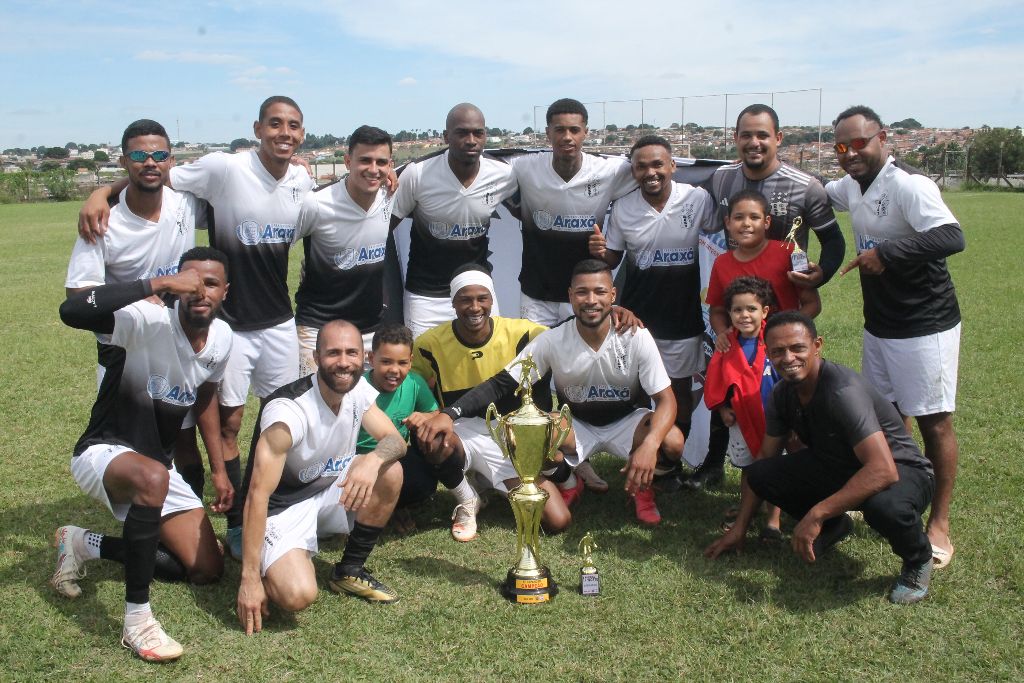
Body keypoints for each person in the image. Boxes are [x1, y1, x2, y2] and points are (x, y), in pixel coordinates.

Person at [79, 96, 317, 559]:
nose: (284, 133)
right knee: (222, 422)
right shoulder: (224, 168)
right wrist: (101, 193)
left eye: (293, 126)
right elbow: (155, 174)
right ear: (257, 128)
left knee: (281, 420)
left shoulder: (301, 179)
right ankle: (223, 520)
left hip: (278, 322)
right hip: (228, 324)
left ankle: (265, 509)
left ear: (302, 134)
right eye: (274, 124)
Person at [52, 247, 234, 661]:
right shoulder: (144, 319)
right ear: (177, 285)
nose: (199, 291)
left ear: (225, 291)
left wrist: (219, 469)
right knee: (153, 477)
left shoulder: (222, 338)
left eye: (210, 283)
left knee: (206, 569)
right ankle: (137, 621)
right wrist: (156, 284)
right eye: (190, 281)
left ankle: (82, 542)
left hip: (159, 469)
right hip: (104, 452)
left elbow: (205, 395)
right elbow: (71, 311)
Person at [417, 260, 684, 527]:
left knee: (672, 441)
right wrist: (449, 414)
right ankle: (569, 482)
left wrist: (650, 445)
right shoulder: (552, 339)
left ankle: (643, 490)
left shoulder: (636, 336)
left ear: (613, 295)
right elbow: (500, 384)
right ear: (570, 296)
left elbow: (667, 401)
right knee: (529, 435)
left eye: (600, 292)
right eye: (582, 292)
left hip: (626, 423)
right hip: (577, 424)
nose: (591, 300)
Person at [705, 312, 936, 605]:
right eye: (778, 351)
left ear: (817, 345)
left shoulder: (842, 392)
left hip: (902, 470)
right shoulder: (782, 394)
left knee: (884, 507)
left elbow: (883, 470)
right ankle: (834, 526)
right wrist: (739, 529)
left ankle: (918, 558)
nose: (788, 358)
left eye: (797, 348)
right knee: (762, 472)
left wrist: (816, 513)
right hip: (840, 465)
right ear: (768, 353)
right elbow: (764, 459)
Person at [827, 105, 964, 568]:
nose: (850, 153)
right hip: (879, 324)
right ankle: (891, 493)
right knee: (889, 418)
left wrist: (888, 252)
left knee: (934, 422)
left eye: (859, 143)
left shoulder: (908, 184)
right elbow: (816, 190)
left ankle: (939, 522)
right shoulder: (851, 185)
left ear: (882, 139)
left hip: (925, 325)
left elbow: (951, 236)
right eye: (841, 147)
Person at [694, 103, 845, 490]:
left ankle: (806, 481)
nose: (754, 142)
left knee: (790, 405)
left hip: (780, 324)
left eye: (762, 135)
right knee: (732, 389)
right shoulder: (721, 179)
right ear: (735, 139)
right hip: (740, 322)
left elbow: (833, 242)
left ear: (778, 138)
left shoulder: (805, 186)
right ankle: (714, 463)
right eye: (746, 135)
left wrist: (819, 276)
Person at [65, 118, 216, 500]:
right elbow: (78, 299)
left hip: (178, 341)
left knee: (183, 435)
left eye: (159, 155)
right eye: (138, 156)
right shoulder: (103, 222)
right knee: (136, 447)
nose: (150, 162)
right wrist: (151, 287)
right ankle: (143, 517)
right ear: (123, 161)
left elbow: (240, 191)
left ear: (171, 161)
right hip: (124, 352)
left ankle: (190, 510)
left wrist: (293, 167)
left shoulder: (185, 204)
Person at [236, 320, 406, 636]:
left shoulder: (356, 390)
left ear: (363, 357)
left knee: (390, 470)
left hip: (328, 491)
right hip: (280, 511)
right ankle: (266, 559)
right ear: (315, 357)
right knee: (298, 595)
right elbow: (257, 496)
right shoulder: (287, 413)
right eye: (333, 353)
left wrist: (371, 461)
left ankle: (349, 570)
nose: (344, 362)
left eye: (351, 353)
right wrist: (249, 579)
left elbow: (396, 441)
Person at [404, 266, 570, 540]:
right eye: (465, 299)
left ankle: (491, 479)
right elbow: (408, 385)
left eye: (482, 298)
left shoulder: (525, 333)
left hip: (509, 439)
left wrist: (614, 313)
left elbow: (572, 333)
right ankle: (467, 499)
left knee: (558, 520)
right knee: (433, 436)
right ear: (453, 302)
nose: (474, 307)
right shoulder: (429, 343)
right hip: (461, 434)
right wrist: (426, 413)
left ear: (492, 299)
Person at [589, 134, 716, 473]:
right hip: (637, 317)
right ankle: (644, 456)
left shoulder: (697, 199)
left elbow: (722, 234)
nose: (650, 172)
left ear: (672, 166)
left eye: (658, 164)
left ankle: (670, 464)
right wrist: (601, 252)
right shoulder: (624, 207)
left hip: (683, 316)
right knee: (640, 393)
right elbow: (613, 257)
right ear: (633, 171)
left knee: (679, 392)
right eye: (641, 166)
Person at [390, 103, 518, 337]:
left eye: (478, 133)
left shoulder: (503, 174)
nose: (471, 140)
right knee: (425, 360)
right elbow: (384, 226)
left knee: (489, 358)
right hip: (426, 296)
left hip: (476, 292)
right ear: (446, 136)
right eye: (462, 133)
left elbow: (529, 214)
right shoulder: (418, 174)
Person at [509, 98, 636, 326]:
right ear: (548, 133)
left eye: (574, 130)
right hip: (537, 294)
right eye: (560, 130)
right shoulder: (524, 167)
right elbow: (484, 171)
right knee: (534, 351)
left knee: (582, 351)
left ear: (586, 132)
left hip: (586, 295)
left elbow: (652, 172)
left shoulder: (609, 171)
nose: (567, 137)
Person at [294, 125, 395, 375]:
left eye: (381, 162)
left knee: (365, 400)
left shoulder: (391, 195)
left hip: (370, 330)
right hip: (318, 327)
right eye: (365, 160)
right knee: (314, 398)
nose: (373, 169)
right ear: (348, 161)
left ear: (390, 165)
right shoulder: (316, 204)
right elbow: (278, 247)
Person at [702, 276, 782, 539]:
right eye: (737, 310)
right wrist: (723, 409)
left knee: (774, 467)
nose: (744, 315)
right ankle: (748, 510)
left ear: (765, 311)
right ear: (729, 313)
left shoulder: (775, 340)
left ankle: (773, 521)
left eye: (751, 309)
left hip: (773, 420)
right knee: (749, 469)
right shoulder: (726, 343)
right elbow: (717, 380)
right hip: (741, 420)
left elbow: (788, 379)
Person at [706, 189, 821, 344]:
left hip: (783, 345)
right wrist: (722, 333)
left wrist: (788, 330)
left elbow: (812, 304)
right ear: (728, 222)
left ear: (766, 222)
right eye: (738, 217)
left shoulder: (790, 253)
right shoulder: (721, 263)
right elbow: (717, 311)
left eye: (754, 217)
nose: (746, 224)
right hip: (743, 347)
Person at [356, 323, 439, 532]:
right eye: (386, 362)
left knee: (424, 481)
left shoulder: (414, 383)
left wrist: (425, 416)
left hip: (395, 457)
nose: (394, 370)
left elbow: (436, 414)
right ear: (371, 358)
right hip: (359, 460)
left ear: (411, 361)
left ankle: (395, 505)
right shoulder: (356, 388)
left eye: (402, 362)